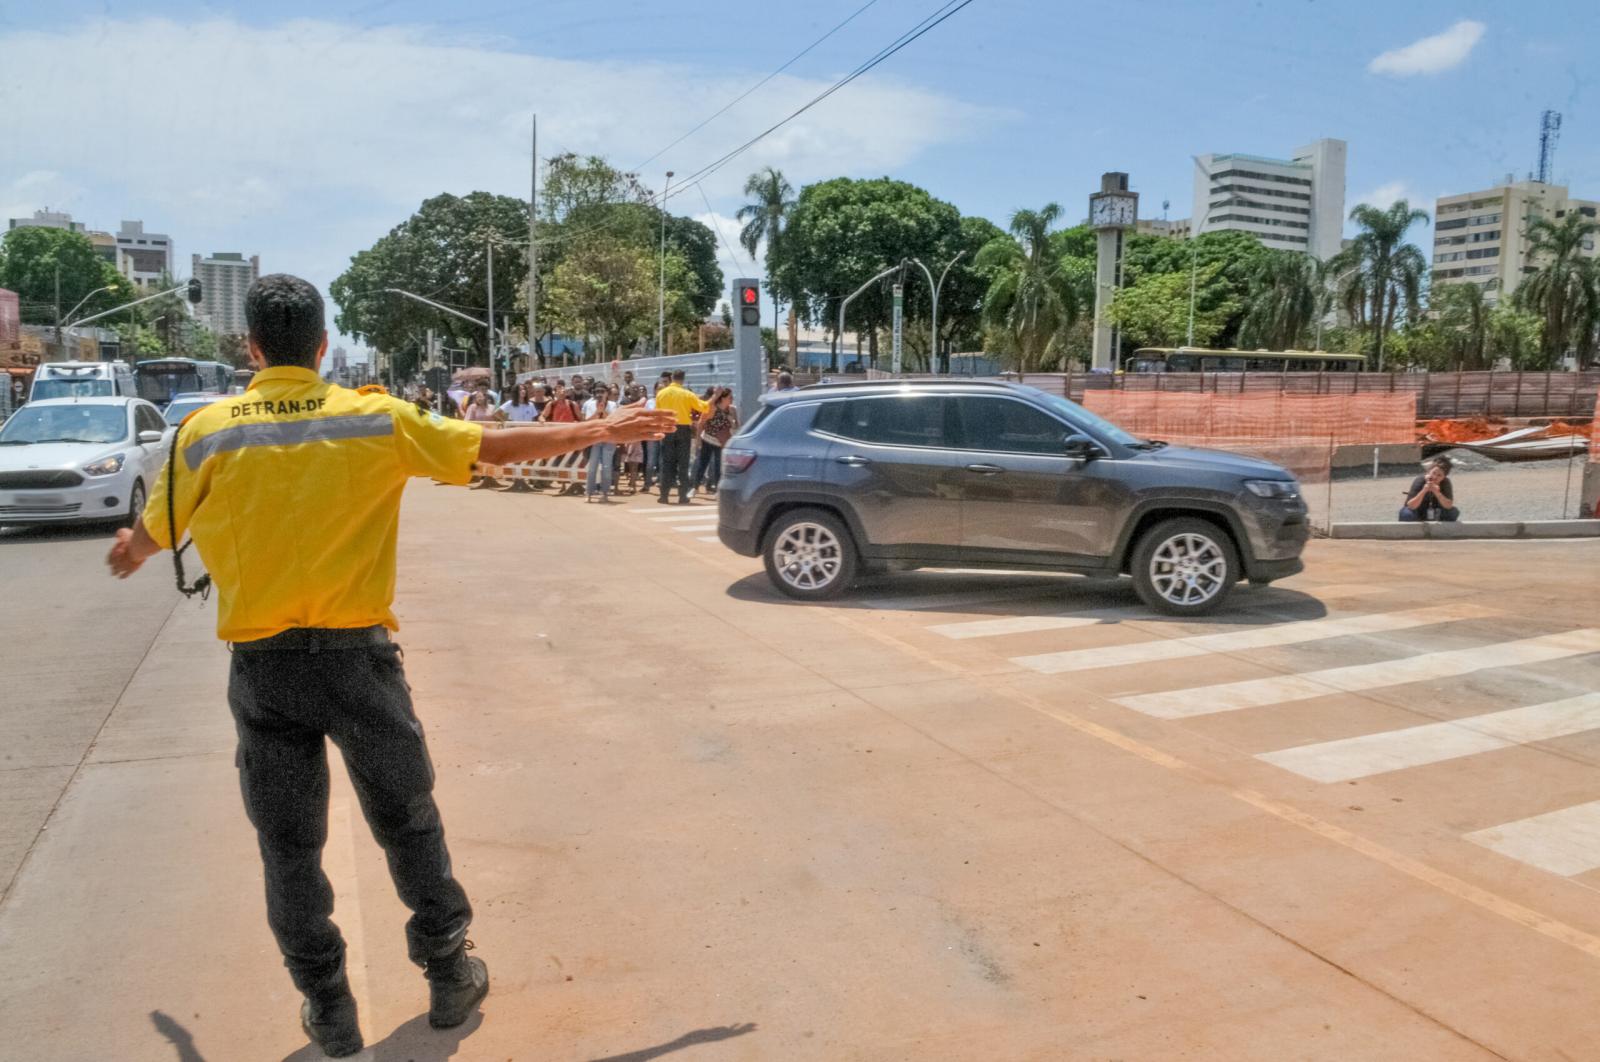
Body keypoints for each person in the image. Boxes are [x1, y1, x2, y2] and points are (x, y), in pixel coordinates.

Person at [105, 274, 674, 1059]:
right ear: (324, 343)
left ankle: (329, 1010)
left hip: (265, 672)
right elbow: (489, 449)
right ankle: (447, 974)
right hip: (359, 662)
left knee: (288, 846)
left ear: (253, 348)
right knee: (407, 819)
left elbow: (153, 533)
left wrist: (130, 549)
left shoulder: (206, 432)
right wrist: (601, 428)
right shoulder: (371, 417)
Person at [653, 370, 709, 505]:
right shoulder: (688, 394)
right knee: (683, 464)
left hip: (667, 429)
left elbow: (658, 413)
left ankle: (664, 496)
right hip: (683, 430)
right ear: (683, 380)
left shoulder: (661, 393)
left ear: (672, 378)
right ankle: (683, 496)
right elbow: (704, 408)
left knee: (667, 463)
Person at [691, 387, 738, 495]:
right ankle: (695, 487)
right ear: (723, 398)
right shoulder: (712, 408)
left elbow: (737, 427)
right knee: (702, 464)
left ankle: (718, 489)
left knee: (718, 466)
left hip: (721, 442)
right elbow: (701, 424)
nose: (732, 399)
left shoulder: (732, 410)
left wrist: (732, 421)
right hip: (708, 440)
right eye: (730, 397)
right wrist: (698, 441)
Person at [496, 384, 540, 491]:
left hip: (529, 434)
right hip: (516, 434)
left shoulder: (530, 405)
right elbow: (497, 413)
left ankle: (528, 478)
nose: (523, 391)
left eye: (524, 389)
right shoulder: (511, 404)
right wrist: (506, 422)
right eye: (520, 390)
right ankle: (517, 479)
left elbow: (535, 418)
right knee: (517, 457)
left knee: (529, 457)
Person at [1399, 456, 1460, 522]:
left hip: (1436, 511)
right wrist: (1424, 490)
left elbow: (1448, 505)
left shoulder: (1445, 482)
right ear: (1429, 472)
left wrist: (1437, 492)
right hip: (1418, 510)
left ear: (1444, 477)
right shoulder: (1420, 480)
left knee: (1453, 512)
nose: (1435, 477)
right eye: (1433, 473)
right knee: (1406, 514)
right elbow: (1411, 506)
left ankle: (1443, 530)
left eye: (1439, 475)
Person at [584, 386, 619, 502]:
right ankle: (589, 493)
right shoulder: (589, 404)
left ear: (607, 394)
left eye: (602, 392)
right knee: (592, 467)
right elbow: (587, 422)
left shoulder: (613, 405)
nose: (599, 394)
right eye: (597, 392)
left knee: (606, 467)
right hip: (595, 439)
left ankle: (605, 493)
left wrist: (603, 411)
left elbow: (612, 422)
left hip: (609, 439)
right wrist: (597, 412)